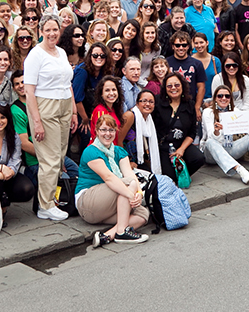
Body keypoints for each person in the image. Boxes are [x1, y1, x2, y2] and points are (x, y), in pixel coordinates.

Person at [23, 13, 77, 221]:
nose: (52, 33)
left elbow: (68, 83)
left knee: (60, 156)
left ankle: (49, 198)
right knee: (50, 158)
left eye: (55, 29)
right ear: (41, 31)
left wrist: (72, 111)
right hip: (45, 106)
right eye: (48, 30)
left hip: (64, 104)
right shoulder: (36, 55)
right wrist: (36, 122)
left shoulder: (61, 52)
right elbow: (29, 91)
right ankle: (45, 205)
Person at [76, 114, 149, 247]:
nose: (107, 134)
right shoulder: (91, 151)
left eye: (111, 130)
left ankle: (106, 236)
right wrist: (131, 194)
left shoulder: (119, 151)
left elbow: (130, 175)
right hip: (87, 203)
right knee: (127, 183)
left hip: (107, 203)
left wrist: (139, 193)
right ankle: (121, 232)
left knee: (143, 213)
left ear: (116, 132)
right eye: (103, 130)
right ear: (97, 131)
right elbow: (109, 178)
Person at [202, 84, 249, 184]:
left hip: (230, 148)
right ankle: (239, 169)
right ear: (215, 98)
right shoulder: (208, 112)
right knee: (209, 142)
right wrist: (217, 131)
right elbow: (210, 136)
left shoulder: (235, 111)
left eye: (227, 96)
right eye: (220, 96)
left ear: (230, 98)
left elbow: (246, 128)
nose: (223, 98)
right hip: (212, 154)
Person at [153, 71, 205, 183]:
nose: (173, 88)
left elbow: (192, 132)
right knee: (170, 178)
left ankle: (182, 170)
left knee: (199, 158)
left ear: (182, 86)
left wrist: (181, 149)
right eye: (169, 86)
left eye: (177, 85)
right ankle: (174, 172)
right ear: (165, 88)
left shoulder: (190, 104)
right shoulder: (157, 102)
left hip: (181, 144)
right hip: (163, 146)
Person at [166, 31, 206, 121]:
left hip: (190, 104)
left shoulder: (197, 64)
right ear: (173, 46)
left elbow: (201, 87)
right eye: (177, 45)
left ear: (188, 46)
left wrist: (197, 107)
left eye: (184, 45)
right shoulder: (166, 63)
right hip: (171, 105)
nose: (181, 48)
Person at [124, 90, 161, 174]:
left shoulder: (148, 120)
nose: (147, 104)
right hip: (126, 161)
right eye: (144, 101)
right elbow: (117, 141)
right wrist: (126, 162)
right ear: (137, 103)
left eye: (151, 102)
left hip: (138, 161)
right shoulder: (130, 116)